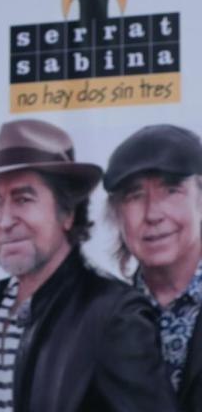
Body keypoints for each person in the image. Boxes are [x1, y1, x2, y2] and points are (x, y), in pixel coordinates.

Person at [0, 118, 176, 412]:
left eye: (23, 199)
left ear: (67, 213)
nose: (4, 221)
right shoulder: (1, 301)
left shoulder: (114, 315)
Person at [103, 124, 202, 411]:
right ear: (116, 214)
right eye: (134, 196)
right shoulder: (101, 320)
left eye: (171, 190)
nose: (153, 214)